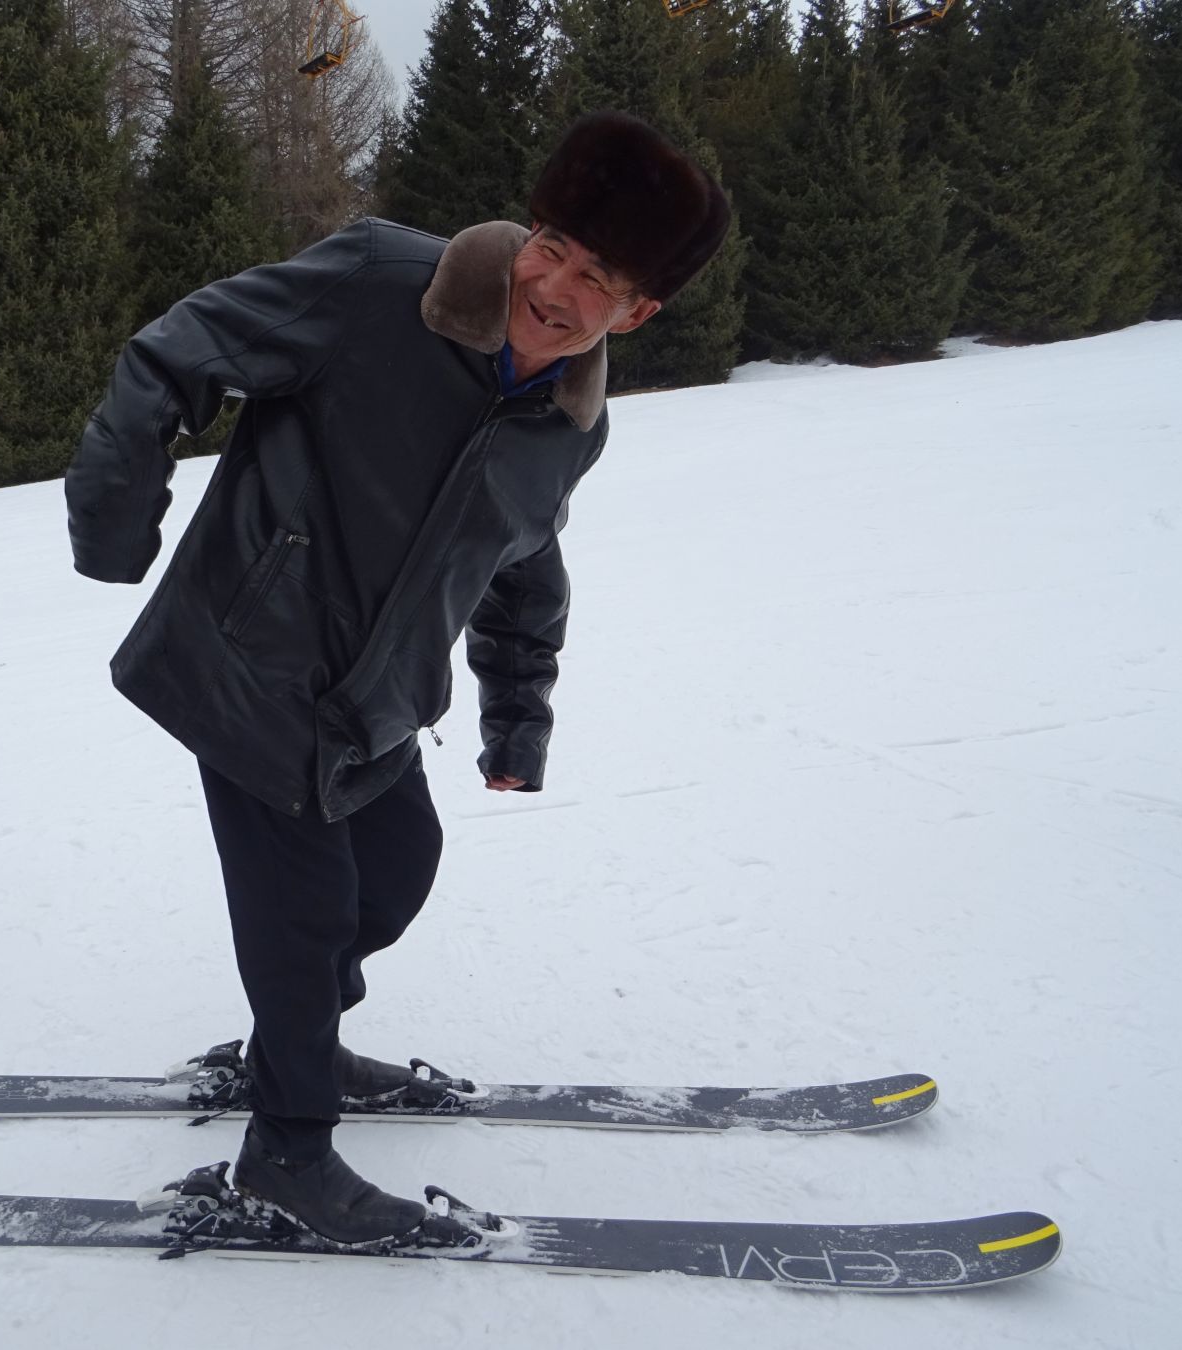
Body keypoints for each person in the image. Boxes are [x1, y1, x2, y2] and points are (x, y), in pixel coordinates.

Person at [65, 111, 728, 1245]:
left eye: (598, 279)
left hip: (374, 704)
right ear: (530, 230)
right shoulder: (378, 284)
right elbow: (176, 351)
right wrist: (115, 523)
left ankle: (301, 1041)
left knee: (396, 873)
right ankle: (286, 1153)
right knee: (304, 914)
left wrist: (517, 720)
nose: (555, 287)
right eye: (554, 248)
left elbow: (522, 565)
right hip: (251, 664)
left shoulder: (568, 426)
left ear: (637, 311)